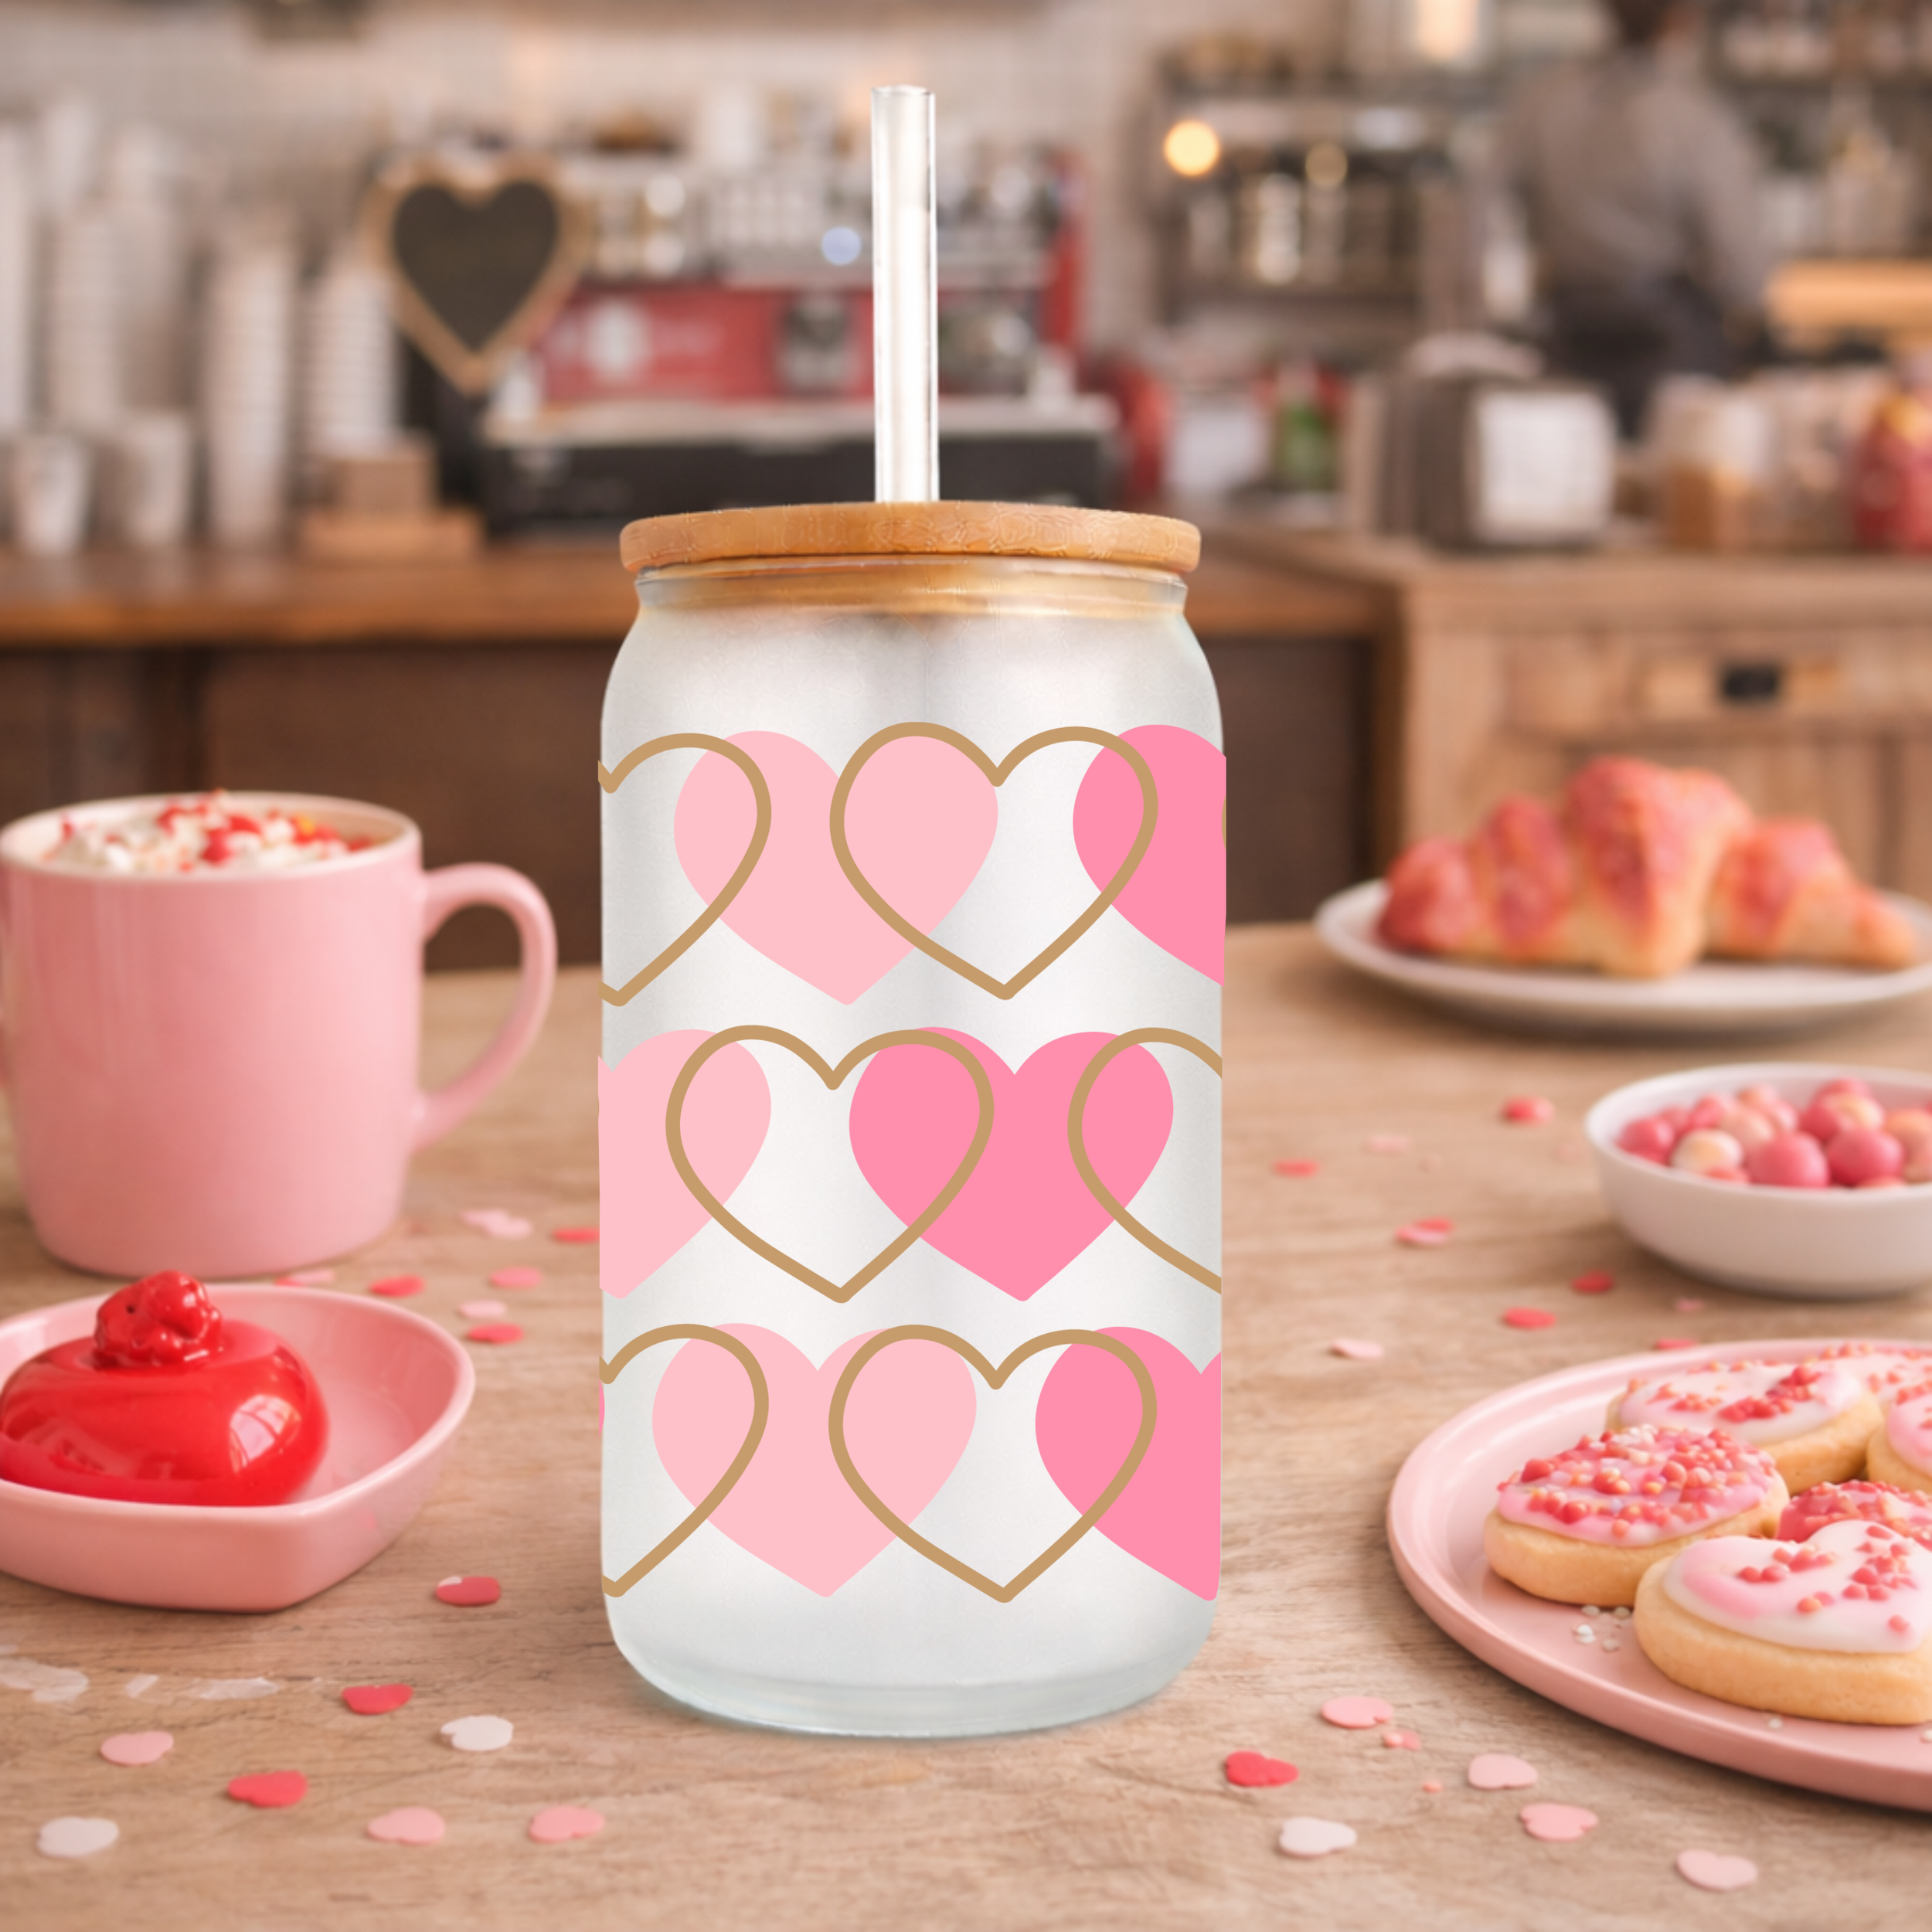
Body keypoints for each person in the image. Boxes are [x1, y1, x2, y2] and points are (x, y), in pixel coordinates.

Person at [1497, 0, 1769, 434]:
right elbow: (1742, 268)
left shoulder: (1544, 103)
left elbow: (1484, 206)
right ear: (1680, 18)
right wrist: (1752, 313)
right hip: (1668, 345)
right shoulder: (1696, 116)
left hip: (1568, 329)